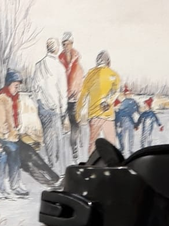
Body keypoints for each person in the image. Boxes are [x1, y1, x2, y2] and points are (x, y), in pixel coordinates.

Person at [32, 38, 69, 171]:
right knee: (58, 137)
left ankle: (51, 162)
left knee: (47, 136)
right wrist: (64, 109)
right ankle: (60, 167)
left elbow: (34, 87)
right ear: (56, 49)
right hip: (55, 108)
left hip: (42, 107)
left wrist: (38, 102)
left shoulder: (38, 65)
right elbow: (63, 91)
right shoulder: (59, 68)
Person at [0, 68, 29, 198]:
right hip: (2, 136)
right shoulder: (2, 99)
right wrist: (7, 134)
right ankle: (13, 184)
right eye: (15, 86)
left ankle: (16, 183)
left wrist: (17, 130)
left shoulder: (13, 98)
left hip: (12, 135)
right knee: (14, 150)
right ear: (9, 85)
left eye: (18, 87)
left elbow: (15, 118)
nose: (17, 89)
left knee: (19, 151)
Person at [76, 50, 121, 155]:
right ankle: (112, 163)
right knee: (111, 143)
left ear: (97, 61)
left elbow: (83, 95)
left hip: (94, 114)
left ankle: (91, 162)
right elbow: (116, 92)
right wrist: (108, 102)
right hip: (108, 115)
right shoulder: (114, 74)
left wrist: (78, 113)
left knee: (92, 143)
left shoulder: (90, 74)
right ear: (108, 61)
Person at [59, 32, 85, 162]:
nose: (65, 46)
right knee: (60, 123)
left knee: (74, 123)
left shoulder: (77, 62)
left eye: (67, 44)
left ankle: (74, 149)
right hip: (62, 98)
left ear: (72, 44)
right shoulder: (59, 61)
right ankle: (59, 153)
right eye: (63, 44)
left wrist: (77, 93)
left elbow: (80, 80)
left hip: (74, 99)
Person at [114, 86, 140, 156]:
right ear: (125, 95)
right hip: (124, 121)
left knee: (130, 136)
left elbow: (138, 110)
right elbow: (119, 112)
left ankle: (129, 150)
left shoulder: (133, 102)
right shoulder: (124, 102)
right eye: (127, 94)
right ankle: (123, 149)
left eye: (129, 93)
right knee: (123, 136)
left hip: (130, 121)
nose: (129, 95)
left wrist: (137, 121)